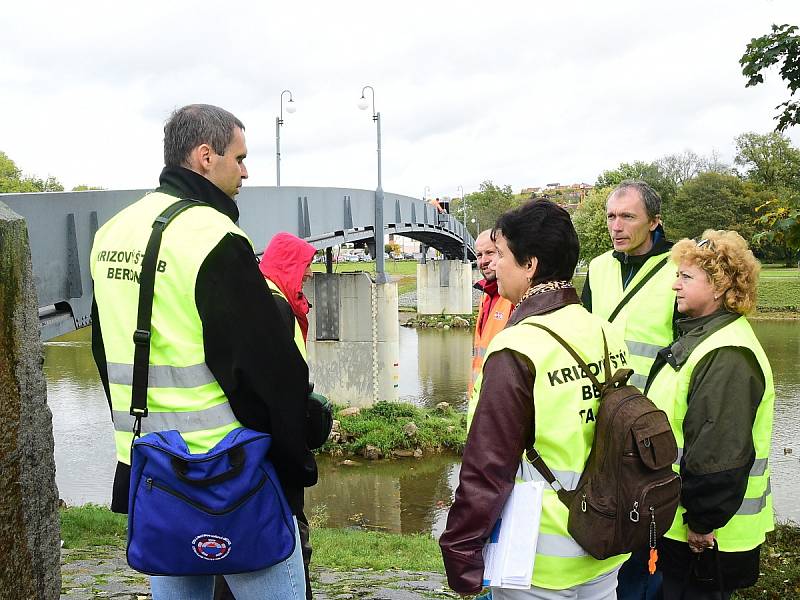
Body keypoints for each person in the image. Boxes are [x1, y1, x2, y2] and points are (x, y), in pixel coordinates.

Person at [90, 104, 313, 600]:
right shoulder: (215, 237)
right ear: (206, 157)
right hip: (230, 472)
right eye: (240, 157)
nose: (246, 171)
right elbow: (264, 371)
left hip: (153, 468)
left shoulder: (111, 234)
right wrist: (294, 462)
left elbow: (104, 354)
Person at [440, 200, 630, 599]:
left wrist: (460, 550)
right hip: (604, 542)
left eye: (503, 255)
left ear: (530, 264)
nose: (495, 265)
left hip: (537, 558)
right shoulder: (603, 331)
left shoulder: (518, 347)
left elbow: (488, 465)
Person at [644, 230, 774, 600]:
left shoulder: (727, 352)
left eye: (686, 277)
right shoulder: (704, 337)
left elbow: (719, 452)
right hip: (688, 526)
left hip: (707, 538)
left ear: (719, 286)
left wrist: (702, 522)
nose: (674, 285)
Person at [215, 231, 330, 600]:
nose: (309, 274)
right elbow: (276, 389)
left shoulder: (264, 297)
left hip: (246, 447)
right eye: (306, 265)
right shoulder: (275, 306)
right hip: (273, 451)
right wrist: (298, 454)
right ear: (288, 264)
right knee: (288, 538)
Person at [582, 180, 677, 391]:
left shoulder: (680, 268)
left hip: (657, 406)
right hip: (605, 404)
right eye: (611, 216)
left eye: (628, 217)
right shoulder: (598, 267)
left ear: (653, 222)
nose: (616, 227)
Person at [469, 230, 513, 399]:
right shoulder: (486, 294)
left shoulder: (513, 297)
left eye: (490, 253)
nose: (483, 261)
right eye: (479, 255)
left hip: (501, 401)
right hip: (481, 399)